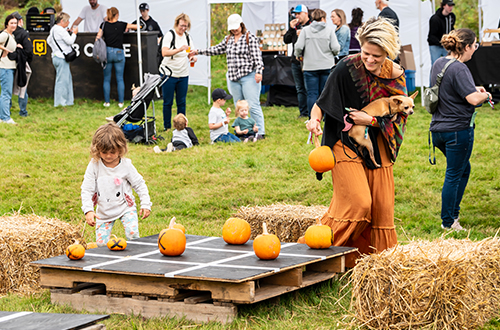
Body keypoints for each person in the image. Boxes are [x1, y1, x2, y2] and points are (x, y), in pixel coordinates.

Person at [305, 17, 408, 268]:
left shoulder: (397, 78)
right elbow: (322, 102)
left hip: (378, 146)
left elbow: (399, 118)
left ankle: (373, 266)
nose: (370, 60)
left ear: (388, 53)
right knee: (360, 203)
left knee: (382, 208)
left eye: (377, 56)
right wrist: (314, 120)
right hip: (343, 140)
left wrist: (370, 120)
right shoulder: (346, 67)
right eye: (365, 53)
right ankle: (318, 255)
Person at [430, 29, 491, 231]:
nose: (475, 49)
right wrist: (486, 94)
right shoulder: (461, 68)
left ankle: (452, 216)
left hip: (438, 131)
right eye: (474, 45)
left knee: (463, 169)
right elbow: (473, 99)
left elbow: (450, 87)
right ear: (466, 47)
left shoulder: (439, 62)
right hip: (457, 131)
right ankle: (449, 222)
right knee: (454, 174)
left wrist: (474, 87)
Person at [191, 14, 266, 138]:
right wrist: (198, 51)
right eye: (232, 28)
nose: (234, 30)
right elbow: (215, 50)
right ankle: (242, 131)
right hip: (233, 77)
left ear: (241, 25)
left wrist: (259, 72)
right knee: (239, 105)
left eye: (236, 27)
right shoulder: (228, 39)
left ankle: (260, 132)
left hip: (248, 76)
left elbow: (257, 57)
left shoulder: (249, 38)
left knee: (252, 105)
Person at [81, 122, 152, 246]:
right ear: (97, 150)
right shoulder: (94, 165)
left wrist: (145, 204)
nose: (108, 156)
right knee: (101, 245)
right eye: (104, 152)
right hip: (103, 212)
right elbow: (87, 189)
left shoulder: (126, 165)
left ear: (121, 149)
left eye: (112, 152)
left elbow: (139, 184)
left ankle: (135, 259)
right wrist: (88, 210)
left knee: (133, 234)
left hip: (125, 207)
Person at [295, 9, 339, 117]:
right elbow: (336, 48)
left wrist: (298, 55)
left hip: (310, 67)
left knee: (311, 94)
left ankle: (313, 118)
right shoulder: (329, 31)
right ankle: (325, 117)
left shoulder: (305, 30)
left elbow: (298, 47)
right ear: (323, 18)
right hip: (327, 66)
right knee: (325, 93)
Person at [159, 13, 195, 131]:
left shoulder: (188, 37)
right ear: (177, 24)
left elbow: (191, 52)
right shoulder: (170, 35)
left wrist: (192, 58)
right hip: (169, 73)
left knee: (181, 102)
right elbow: (164, 52)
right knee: (168, 102)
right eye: (182, 25)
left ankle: (181, 126)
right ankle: (167, 126)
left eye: (186, 26)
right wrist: (179, 49)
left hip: (183, 73)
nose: (183, 28)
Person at [96, 7, 137, 108]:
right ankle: (121, 102)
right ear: (117, 15)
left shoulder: (104, 24)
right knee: (120, 79)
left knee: (106, 79)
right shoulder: (122, 24)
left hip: (108, 52)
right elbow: (137, 27)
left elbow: (98, 37)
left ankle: (107, 102)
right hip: (119, 52)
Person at [283, 4, 311, 119]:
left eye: (299, 14)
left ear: (305, 13)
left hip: (309, 61)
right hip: (295, 61)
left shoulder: (312, 25)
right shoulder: (295, 26)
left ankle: (312, 112)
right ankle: (303, 112)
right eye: (295, 14)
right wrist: (290, 29)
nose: (297, 16)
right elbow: (286, 40)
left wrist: (305, 33)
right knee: (300, 88)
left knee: (309, 88)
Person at [47, 12, 77, 108]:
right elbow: (70, 41)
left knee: (66, 79)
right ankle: (60, 103)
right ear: (62, 21)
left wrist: (55, 49)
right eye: (67, 21)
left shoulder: (53, 29)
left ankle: (68, 101)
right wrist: (74, 34)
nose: (68, 23)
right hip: (61, 58)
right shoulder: (61, 30)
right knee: (62, 81)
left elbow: (49, 41)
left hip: (56, 56)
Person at [11, 11, 33, 118]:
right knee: (23, 89)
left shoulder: (5, 32)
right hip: (21, 64)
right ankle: (23, 111)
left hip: (8, 63)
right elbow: (29, 51)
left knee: (7, 90)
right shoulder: (24, 33)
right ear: (20, 21)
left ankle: (6, 111)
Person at [0, 14, 18, 124]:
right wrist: (5, 49)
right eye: (11, 23)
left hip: (9, 67)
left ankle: (3, 116)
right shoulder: (4, 35)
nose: (13, 25)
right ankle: (6, 118)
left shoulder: (12, 36)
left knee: (6, 93)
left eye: (15, 23)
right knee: (6, 93)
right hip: (5, 67)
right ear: (7, 24)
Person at [428, 0, 456, 66]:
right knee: (435, 65)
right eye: (449, 5)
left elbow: (451, 29)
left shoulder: (451, 17)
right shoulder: (435, 19)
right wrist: (441, 42)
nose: (451, 8)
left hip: (447, 45)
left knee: (450, 64)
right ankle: (433, 76)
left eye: (452, 6)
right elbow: (432, 35)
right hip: (435, 45)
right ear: (444, 6)